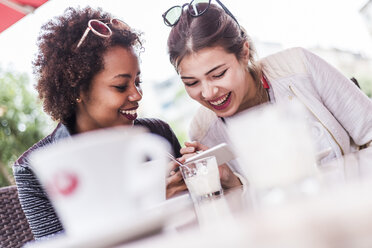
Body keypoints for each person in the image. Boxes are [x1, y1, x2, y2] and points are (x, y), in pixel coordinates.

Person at [163, 1, 372, 197]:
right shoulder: (202, 132)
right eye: (191, 83)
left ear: (244, 53)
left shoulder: (299, 66)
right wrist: (230, 181)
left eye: (218, 74)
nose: (208, 93)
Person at [13, 6, 181, 240]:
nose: (137, 95)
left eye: (138, 81)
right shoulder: (34, 168)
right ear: (78, 90)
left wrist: (198, 173)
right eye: (121, 86)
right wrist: (150, 201)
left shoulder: (157, 133)